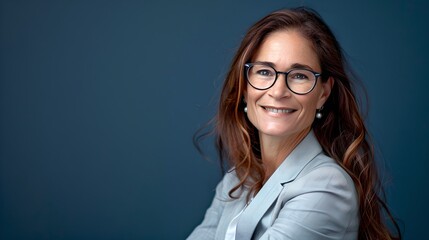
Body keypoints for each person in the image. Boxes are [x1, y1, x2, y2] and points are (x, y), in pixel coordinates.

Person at [187, 7, 401, 240]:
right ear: (244, 85)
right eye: (265, 72)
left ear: (323, 93)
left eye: (299, 75)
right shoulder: (238, 178)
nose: (278, 91)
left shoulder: (327, 186)